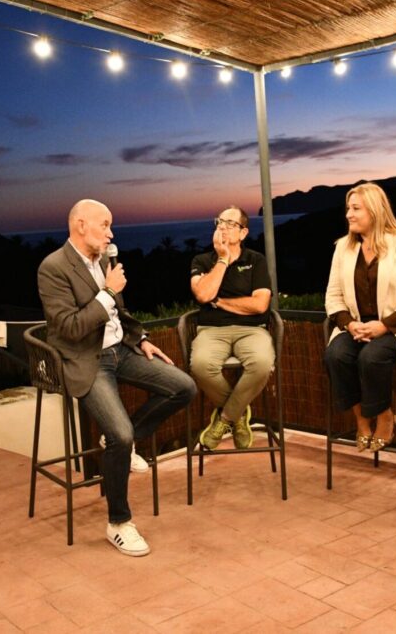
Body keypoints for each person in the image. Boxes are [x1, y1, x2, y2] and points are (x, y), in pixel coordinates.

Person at [37, 199, 196, 557]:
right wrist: (107, 291)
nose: (111, 233)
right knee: (119, 433)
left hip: (120, 352)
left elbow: (119, 316)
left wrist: (141, 340)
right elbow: (71, 328)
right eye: (104, 225)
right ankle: (119, 523)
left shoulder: (104, 261)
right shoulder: (53, 267)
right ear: (80, 225)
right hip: (86, 360)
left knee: (182, 387)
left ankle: (124, 444)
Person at [323, 183, 396, 452]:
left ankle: (384, 416)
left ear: (375, 210)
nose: (349, 214)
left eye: (356, 208)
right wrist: (350, 324)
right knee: (335, 356)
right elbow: (332, 297)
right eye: (348, 208)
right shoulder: (342, 248)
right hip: (356, 326)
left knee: (371, 357)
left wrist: (384, 325)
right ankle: (362, 420)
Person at [189, 206, 274, 450]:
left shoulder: (255, 260)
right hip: (212, 330)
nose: (223, 227)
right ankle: (238, 414)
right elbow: (204, 294)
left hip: (252, 330)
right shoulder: (202, 260)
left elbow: (260, 304)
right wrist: (223, 259)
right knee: (201, 365)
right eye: (219, 222)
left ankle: (225, 418)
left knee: (261, 363)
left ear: (243, 232)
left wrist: (221, 302)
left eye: (230, 223)